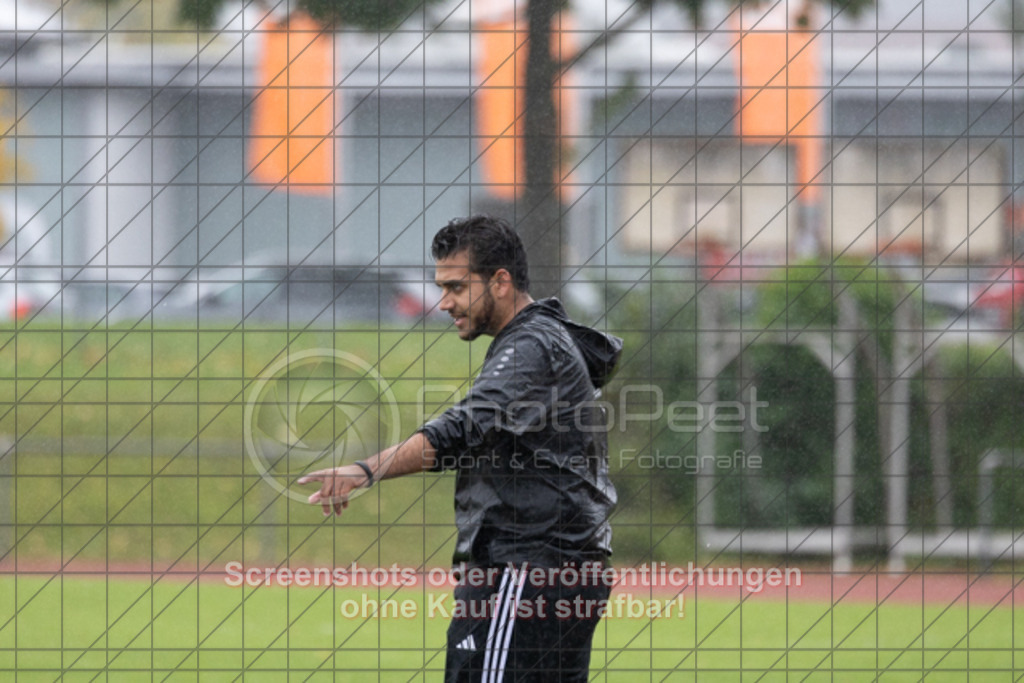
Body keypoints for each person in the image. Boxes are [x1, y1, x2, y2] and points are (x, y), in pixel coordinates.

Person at [298, 215, 621, 681]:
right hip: (556, 571)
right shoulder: (543, 339)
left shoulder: (531, 345)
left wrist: (364, 471)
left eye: (455, 287)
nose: (443, 302)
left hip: (526, 570)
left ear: (501, 282)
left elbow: (461, 429)